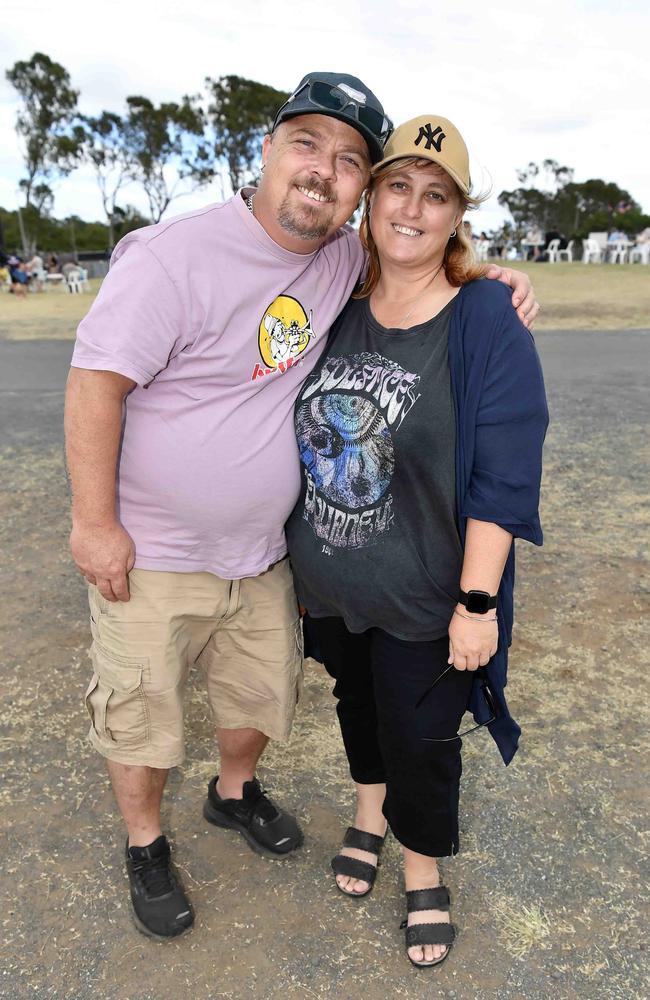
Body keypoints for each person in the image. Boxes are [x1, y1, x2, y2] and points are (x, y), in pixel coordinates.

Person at [64, 75, 539, 942]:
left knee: (257, 699)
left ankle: (235, 794)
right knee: (141, 707)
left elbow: (424, 264)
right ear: (269, 149)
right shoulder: (181, 256)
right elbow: (96, 382)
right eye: (308, 144)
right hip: (164, 552)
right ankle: (144, 845)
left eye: (352, 160)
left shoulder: (343, 267)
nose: (325, 172)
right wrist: (95, 524)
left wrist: (495, 279)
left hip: (269, 558)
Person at [285, 114, 548, 968]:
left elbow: (504, 478)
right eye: (397, 185)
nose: (411, 208)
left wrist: (477, 602)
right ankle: (368, 811)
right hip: (329, 582)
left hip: (426, 598)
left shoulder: (483, 319)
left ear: (456, 215)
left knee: (424, 738)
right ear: (372, 196)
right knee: (358, 709)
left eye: (435, 196)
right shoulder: (335, 302)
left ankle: (421, 866)